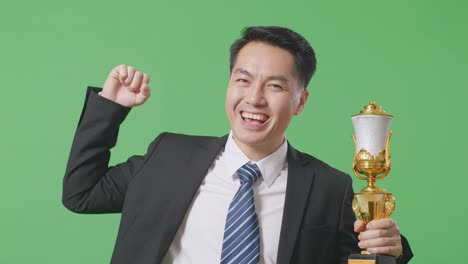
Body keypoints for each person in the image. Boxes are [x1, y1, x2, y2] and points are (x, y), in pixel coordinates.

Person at [62, 26, 413, 264]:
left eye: (275, 86)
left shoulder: (329, 188)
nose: (254, 99)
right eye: (242, 80)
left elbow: (365, 258)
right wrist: (110, 107)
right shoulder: (168, 156)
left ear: (301, 101)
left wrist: (389, 250)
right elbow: (81, 193)